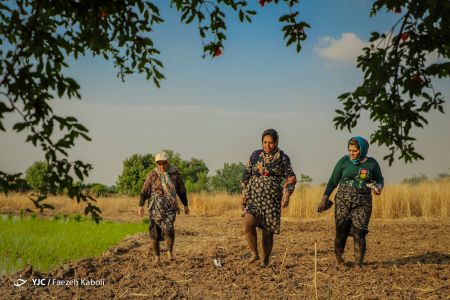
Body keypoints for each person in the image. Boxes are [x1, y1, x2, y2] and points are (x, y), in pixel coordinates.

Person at [318, 136, 384, 269]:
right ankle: (339, 259)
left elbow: (379, 180)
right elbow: (332, 182)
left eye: (355, 151)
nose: (351, 153)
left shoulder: (372, 163)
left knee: (359, 232)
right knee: (341, 230)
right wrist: (324, 199)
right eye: (350, 150)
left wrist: (378, 188)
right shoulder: (344, 161)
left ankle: (358, 264)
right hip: (343, 202)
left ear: (363, 150)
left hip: (363, 203)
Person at [241, 129, 297, 266]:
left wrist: (287, 193)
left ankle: (265, 260)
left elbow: (291, 178)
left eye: (271, 143)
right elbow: (246, 174)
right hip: (253, 197)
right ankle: (254, 253)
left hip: (271, 201)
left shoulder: (283, 158)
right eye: (265, 142)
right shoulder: (255, 155)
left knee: (267, 232)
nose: (267, 145)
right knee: (248, 223)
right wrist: (243, 192)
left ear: (276, 142)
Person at [138, 151, 190, 265]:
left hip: (169, 207)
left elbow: (181, 191)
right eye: (159, 163)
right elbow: (144, 191)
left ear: (168, 162)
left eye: (164, 163)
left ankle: (170, 253)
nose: (162, 166)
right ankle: (157, 257)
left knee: (169, 230)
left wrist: (185, 205)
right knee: (154, 233)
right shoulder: (152, 175)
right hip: (155, 207)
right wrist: (140, 206)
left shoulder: (175, 174)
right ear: (156, 164)